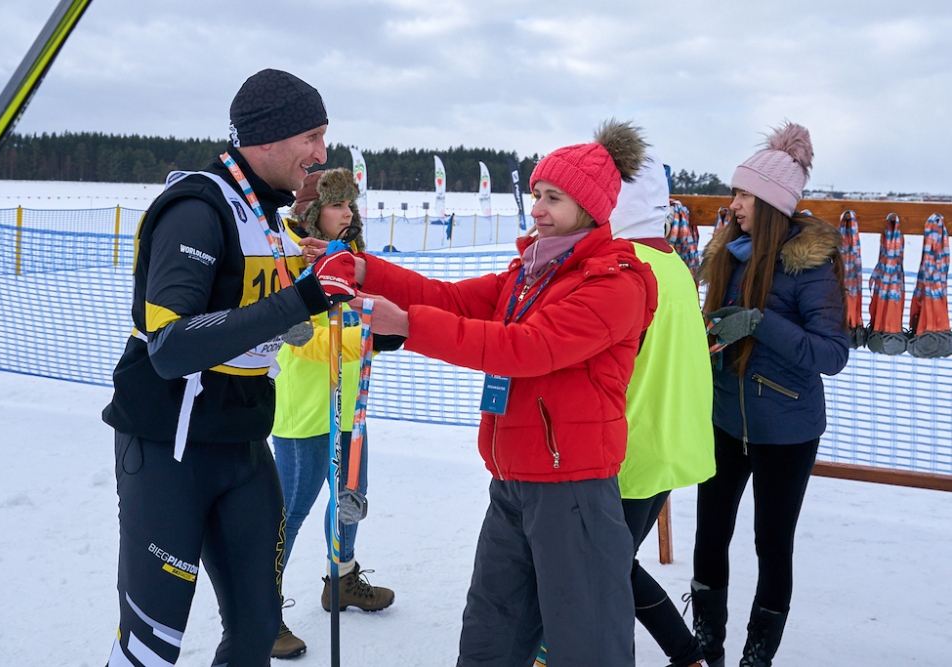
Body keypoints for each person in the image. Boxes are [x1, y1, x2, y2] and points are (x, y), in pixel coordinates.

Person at [352, 120, 659, 667]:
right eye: (537, 194)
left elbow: (526, 348)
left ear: (589, 209)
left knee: (586, 645)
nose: (537, 208)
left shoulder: (615, 284)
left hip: (574, 489)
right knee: (491, 635)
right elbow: (447, 298)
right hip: (513, 481)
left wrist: (408, 325)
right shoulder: (531, 273)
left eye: (553, 198)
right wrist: (363, 268)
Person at [101, 69, 357, 667]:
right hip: (171, 448)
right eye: (311, 137)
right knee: (151, 642)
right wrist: (301, 298)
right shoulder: (197, 208)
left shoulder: (268, 216)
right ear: (266, 139)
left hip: (241, 443)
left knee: (258, 626)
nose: (322, 153)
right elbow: (169, 346)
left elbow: (282, 317)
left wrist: (366, 321)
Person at [534, 153, 716, 667]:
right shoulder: (674, 265)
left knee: (602, 569)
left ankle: (678, 654)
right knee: (610, 564)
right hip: (670, 443)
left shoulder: (619, 268)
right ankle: (687, 656)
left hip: (625, 451)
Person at [691, 122, 848, 667]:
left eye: (742, 196)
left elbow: (832, 354)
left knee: (770, 545)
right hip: (724, 421)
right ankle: (705, 647)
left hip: (787, 430)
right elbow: (714, 329)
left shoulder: (810, 264)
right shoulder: (729, 253)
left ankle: (757, 655)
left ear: (771, 204)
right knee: (710, 536)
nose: (732, 205)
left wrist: (760, 322)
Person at [269, 168, 397, 660]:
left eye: (351, 204)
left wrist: (378, 328)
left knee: (351, 496)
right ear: (311, 210)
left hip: (349, 407)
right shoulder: (285, 257)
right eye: (338, 204)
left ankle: (341, 579)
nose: (349, 213)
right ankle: (262, 607)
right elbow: (299, 339)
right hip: (305, 410)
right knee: (289, 512)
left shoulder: (348, 258)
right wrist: (365, 337)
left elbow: (357, 315)